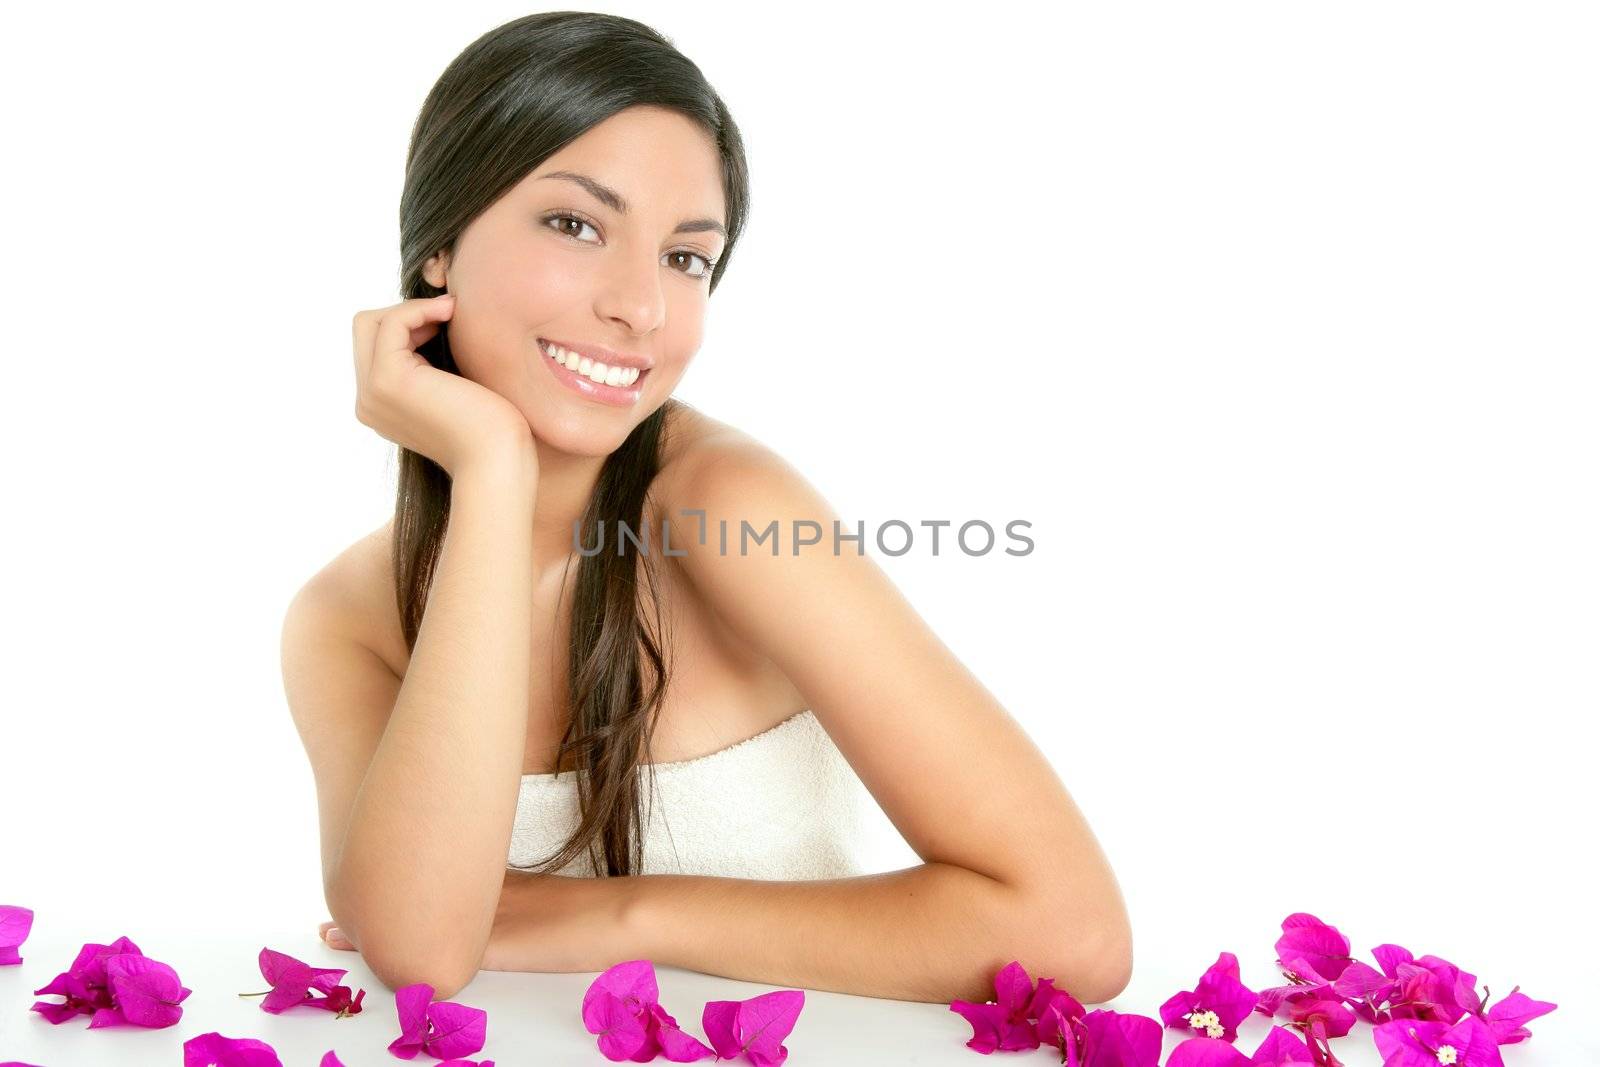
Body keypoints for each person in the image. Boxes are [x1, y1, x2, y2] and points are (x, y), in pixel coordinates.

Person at [282, 11, 1131, 1006]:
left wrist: (624, 913)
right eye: (575, 224)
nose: (641, 305)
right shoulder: (343, 618)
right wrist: (491, 472)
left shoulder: (727, 508)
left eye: (686, 256)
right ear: (438, 245)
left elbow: (1070, 930)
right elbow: (422, 950)